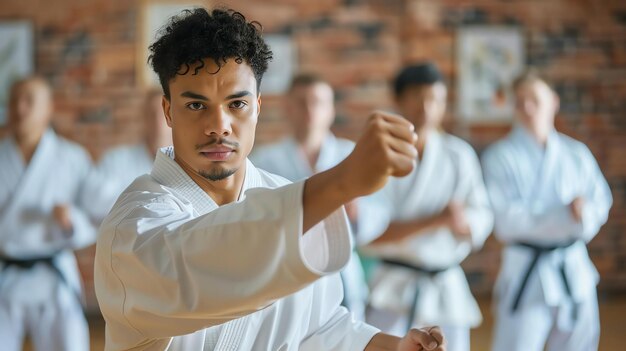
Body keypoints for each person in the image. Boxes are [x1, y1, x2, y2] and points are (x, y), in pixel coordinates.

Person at [94, 8, 446, 351]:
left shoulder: (284, 197)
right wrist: (343, 181)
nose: (219, 126)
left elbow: (320, 329)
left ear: (258, 107)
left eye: (237, 104)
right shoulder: (134, 224)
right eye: (196, 106)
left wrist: (392, 346)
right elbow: (210, 266)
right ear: (169, 111)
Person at [361, 63, 493, 351]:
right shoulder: (378, 158)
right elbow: (369, 234)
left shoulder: (459, 155)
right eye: (417, 98)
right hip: (391, 287)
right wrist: (437, 220)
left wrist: (464, 222)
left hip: (445, 285)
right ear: (399, 100)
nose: (426, 108)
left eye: (435, 100)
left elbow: (481, 214)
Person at [482, 70, 612, 351]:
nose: (527, 107)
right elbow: (506, 222)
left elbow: (601, 201)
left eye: (534, 99)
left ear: (553, 101)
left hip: (574, 269)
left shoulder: (576, 154)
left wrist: (584, 212)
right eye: (519, 101)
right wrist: (565, 215)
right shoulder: (500, 157)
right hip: (526, 274)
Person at [250, 73, 369, 320]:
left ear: (331, 110)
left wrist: (358, 212)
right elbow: (257, 219)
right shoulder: (264, 160)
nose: (309, 110)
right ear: (287, 108)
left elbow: (380, 212)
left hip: (342, 269)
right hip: (287, 270)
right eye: (301, 102)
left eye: (317, 102)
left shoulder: (353, 156)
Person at [0, 76, 96, 351]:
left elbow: (93, 218)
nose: (20, 108)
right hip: (6, 273)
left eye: (29, 100)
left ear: (48, 108)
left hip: (54, 275)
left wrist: (70, 221)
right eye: (14, 100)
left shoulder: (72, 158)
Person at [86, 89, 173, 221]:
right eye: (152, 115)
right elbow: (95, 206)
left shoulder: (190, 165)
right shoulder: (115, 160)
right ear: (144, 119)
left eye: (164, 115)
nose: (158, 123)